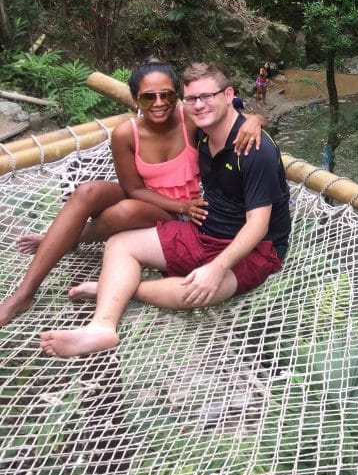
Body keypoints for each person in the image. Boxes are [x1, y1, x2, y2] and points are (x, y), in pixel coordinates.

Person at [40, 62, 291, 357]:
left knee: (197, 290)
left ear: (227, 95)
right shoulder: (201, 133)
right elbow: (231, 111)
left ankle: (114, 289)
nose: (200, 105)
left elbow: (257, 225)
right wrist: (255, 117)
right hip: (203, 229)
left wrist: (216, 267)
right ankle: (102, 327)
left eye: (207, 97)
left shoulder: (255, 151)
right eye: (192, 99)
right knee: (121, 244)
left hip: (255, 250)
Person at [0, 60, 264, 327]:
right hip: (146, 198)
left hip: (182, 216)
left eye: (167, 95)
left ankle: (59, 241)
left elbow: (234, 109)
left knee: (125, 210)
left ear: (177, 96)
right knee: (87, 191)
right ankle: (25, 292)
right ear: (136, 100)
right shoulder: (127, 133)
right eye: (148, 97)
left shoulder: (189, 117)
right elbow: (134, 189)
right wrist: (178, 205)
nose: (159, 103)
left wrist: (254, 121)